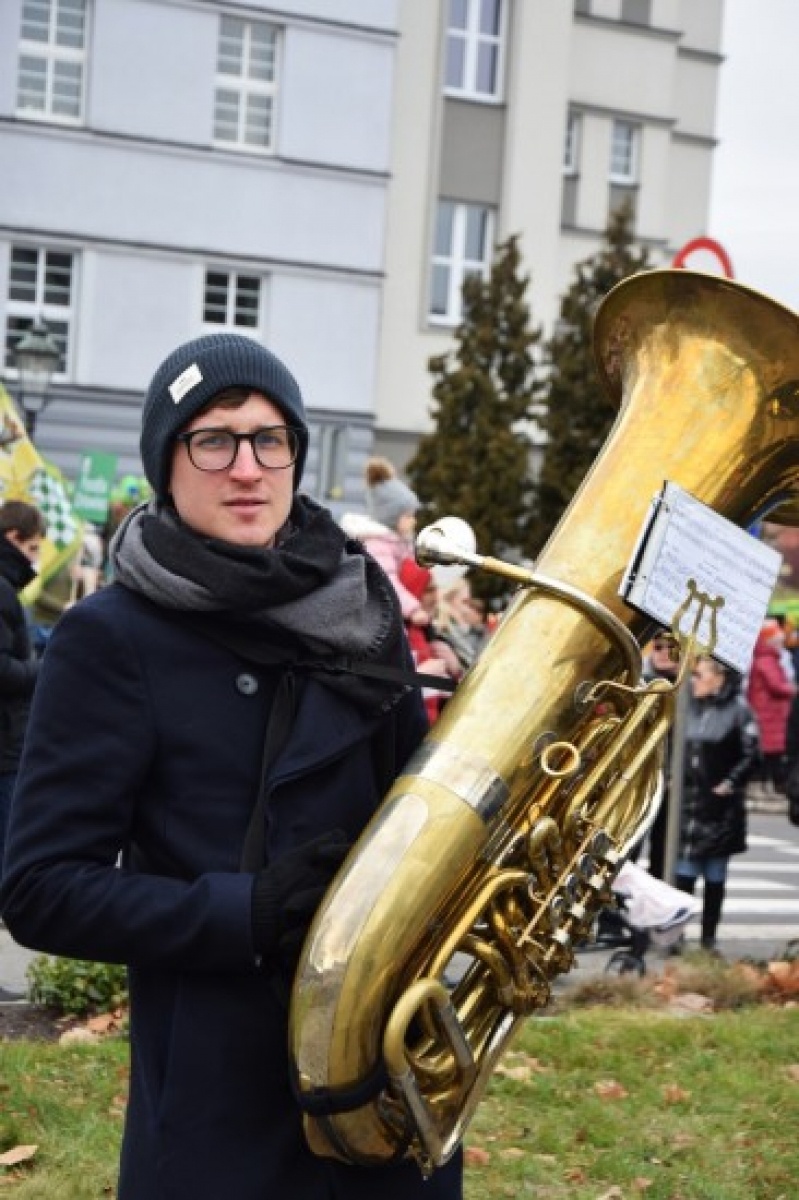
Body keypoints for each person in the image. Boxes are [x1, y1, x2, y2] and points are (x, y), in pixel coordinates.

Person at [0, 333, 462, 1200]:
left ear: (294, 453)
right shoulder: (111, 638)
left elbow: (424, 818)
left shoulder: (361, 605)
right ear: (165, 465)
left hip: (388, 1081)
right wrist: (239, 912)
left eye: (269, 437)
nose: (246, 466)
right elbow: (39, 888)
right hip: (224, 1112)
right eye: (211, 439)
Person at [675, 655, 759, 952]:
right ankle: (677, 935)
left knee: (714, 873)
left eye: (699, 674)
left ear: (718, 678)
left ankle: (709, 937)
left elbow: (751, 754)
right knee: (683, 869)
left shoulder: (738, 710)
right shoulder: (686, 707)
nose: (693, 680)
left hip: (720, 807)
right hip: (687, 803)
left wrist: (730, 784)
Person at [0, 499, 46, 880]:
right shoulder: (2, 589)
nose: (35, 559)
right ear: (13, 538)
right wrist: (42, 670)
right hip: (5, 737)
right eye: (32, 548)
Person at [746, 617, 796, 795]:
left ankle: (772, 783)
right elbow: (776, 685)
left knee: (771, 751)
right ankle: (774, 784)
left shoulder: (766, 658)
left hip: (770, 711)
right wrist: (793, 690)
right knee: (772, 751)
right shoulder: (766, 660)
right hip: (769, 712)